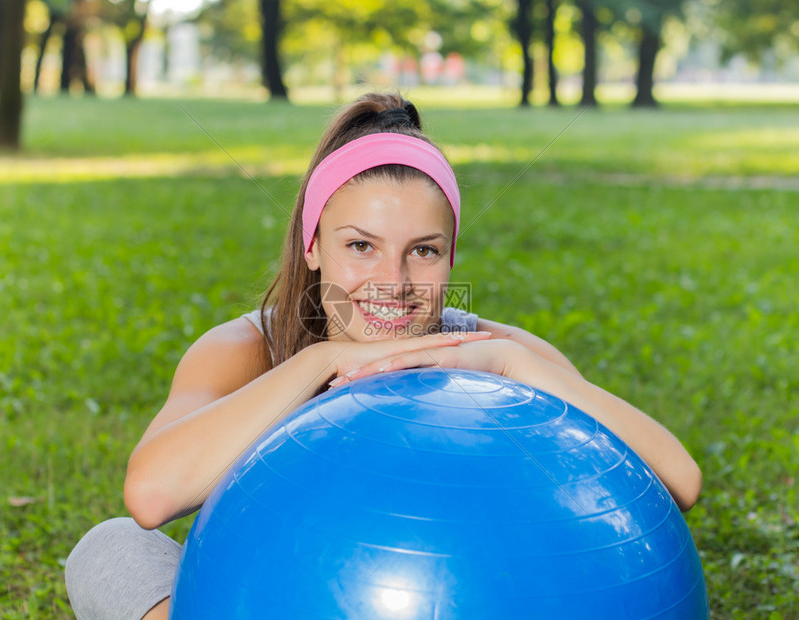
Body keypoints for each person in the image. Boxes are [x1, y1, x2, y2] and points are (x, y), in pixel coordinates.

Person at [65, 92, 702, 619]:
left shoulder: (482, 349)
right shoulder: (247, 348)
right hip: (277, 588)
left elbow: (680, 478)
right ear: (312, 244)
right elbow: (149, 497)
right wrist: (320, 363)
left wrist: (512, 365)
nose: (391, 284)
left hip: (444, 590)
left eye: (422, 251)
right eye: (361, 246)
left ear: (451, 257)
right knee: (112, 549)